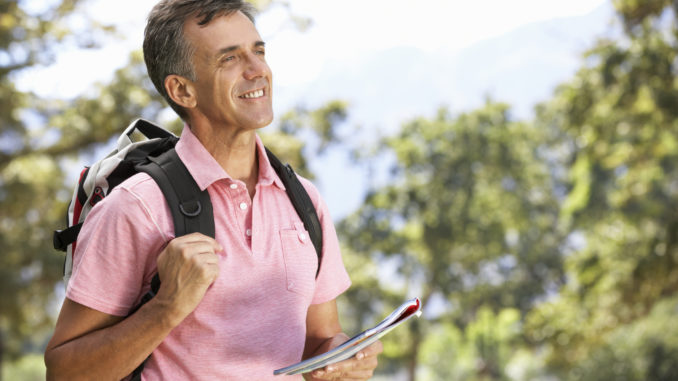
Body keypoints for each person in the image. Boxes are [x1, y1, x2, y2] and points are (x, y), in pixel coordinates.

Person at [44, 1, 383, 380]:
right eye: (229, 59)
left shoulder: (303, 201)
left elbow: (319, 339)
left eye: (258, 51)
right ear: (183, 90)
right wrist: (167, 306)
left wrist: (340, 358)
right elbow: (65, 373)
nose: (258, 71)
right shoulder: (136, 208)